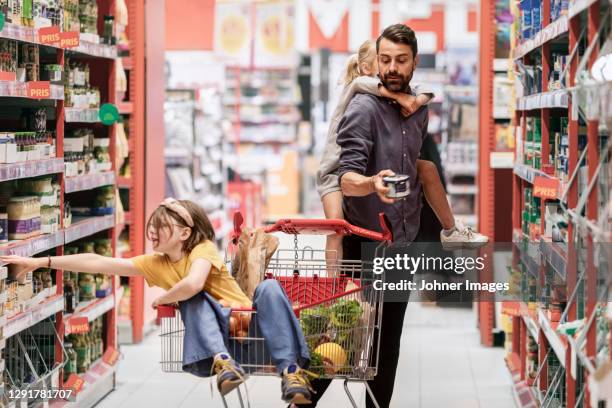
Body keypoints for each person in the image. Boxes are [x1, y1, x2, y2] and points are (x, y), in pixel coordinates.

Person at [1, 198, 314, 405]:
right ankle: (224, 363)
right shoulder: (157, 263)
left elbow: (192, 283)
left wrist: (164, 297)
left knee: (267, 289)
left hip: (262, 338)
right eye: (153, 225)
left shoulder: (202, 249)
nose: (152, 231)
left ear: (184, 232)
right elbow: (98, 262)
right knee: (189, 298)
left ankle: (291, 374)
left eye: (161, 225)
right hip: (223, 346)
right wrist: (41, 264)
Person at [316, 40, 487, 262]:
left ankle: (451, 229)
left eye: (399, 59)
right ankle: (332, 291)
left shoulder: (389, 94)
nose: (393, 67)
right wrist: (402, 97)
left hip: (371, 165)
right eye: (384, 60)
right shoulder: (359, 87)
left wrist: (419, 100)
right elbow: (374, 87)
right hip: (334, 173)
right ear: (368, 68)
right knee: (336, 229)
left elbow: (424, 90)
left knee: (427, 168)